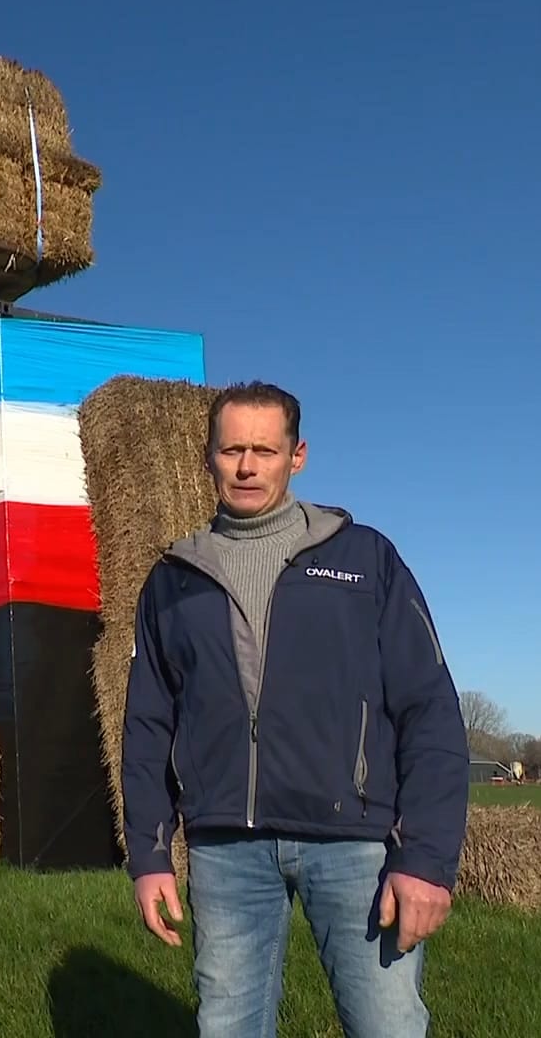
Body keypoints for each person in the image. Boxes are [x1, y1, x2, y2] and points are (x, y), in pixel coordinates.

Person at [120, 381, 469, 1037]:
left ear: (297, 455)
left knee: (387, 1028)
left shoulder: (365, 560)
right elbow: (146, 728)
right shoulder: (173, 577)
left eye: (264, 450)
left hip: (356, 846)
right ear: (210, 457)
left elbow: (431, 712)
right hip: (226, 850)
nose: (247, 466)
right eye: (231, 451)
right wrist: (150, 856)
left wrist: (426, 860)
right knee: (228, 1027)